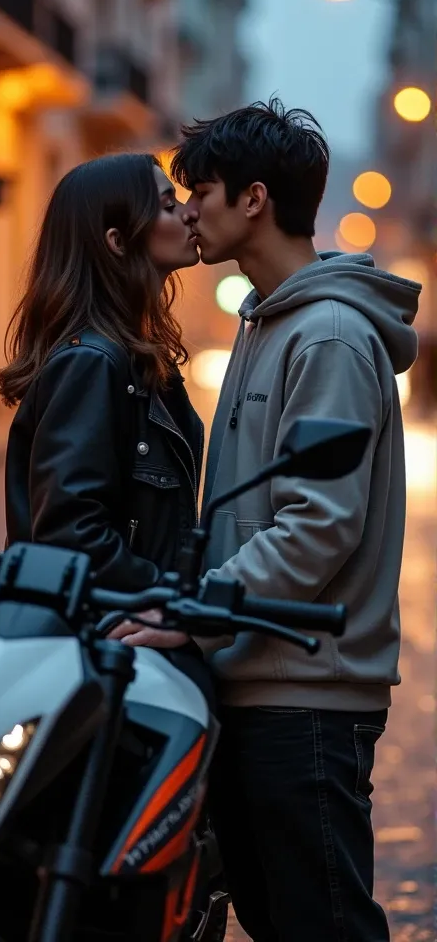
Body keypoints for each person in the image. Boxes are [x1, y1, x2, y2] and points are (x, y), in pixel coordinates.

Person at [168, 99, 422, 942]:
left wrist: (192, 612)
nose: (186, 211)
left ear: (252, 198)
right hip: (260, 680)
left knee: (324, 924)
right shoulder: (266, 323)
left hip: (306, 694)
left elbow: (319, 525)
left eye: (198, 189)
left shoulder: (331, 337)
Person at [0, 152, 203, 648]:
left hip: (118, 636)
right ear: (117, 241)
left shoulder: (134, 360)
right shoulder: (94, 362)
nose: (188, 213)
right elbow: (73, 532)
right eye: (168, 204)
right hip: (107, 646)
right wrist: (174, 599)